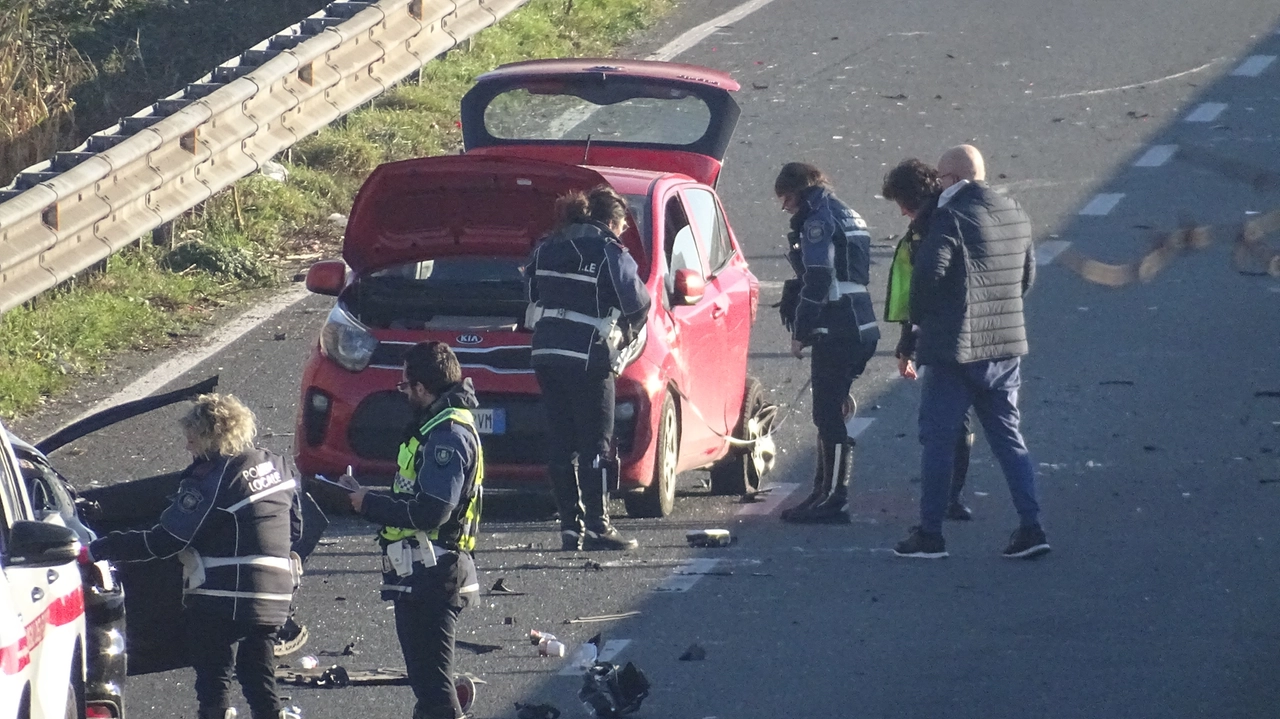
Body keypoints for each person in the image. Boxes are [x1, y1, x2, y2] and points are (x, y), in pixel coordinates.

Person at [88, 394, 301, 719]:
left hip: (225, 593)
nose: (188, 447)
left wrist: (100, 547)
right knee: (257, 674)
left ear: (210, 436)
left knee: (212, 672)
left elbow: (167, 540)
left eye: (191, 438)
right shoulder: (278, 464)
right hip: (277, 594)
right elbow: (296, 528)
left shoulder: (213, 477)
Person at [892, 144, 1049, 560]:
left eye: (942, 179)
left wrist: (922, 324)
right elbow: (1026, 278)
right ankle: (1032, 527)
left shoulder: (950, 216)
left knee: (938, 440)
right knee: (1008, 439)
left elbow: (927, 277)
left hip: (954, 350)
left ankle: (930, 533)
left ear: (953, 179)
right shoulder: (1015, 211)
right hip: (1005, 348)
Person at [338, 341, 483, 719]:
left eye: (405, 386)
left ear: (421, 387)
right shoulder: (435, 427)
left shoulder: (448, 435)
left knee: (435, 695)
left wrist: (369, 504)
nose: (402, 393)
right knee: (428, 690)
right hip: (418, 573)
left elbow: (433, 510)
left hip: (434, 575)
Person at [525, 185, 651, 551]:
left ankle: (569, 528)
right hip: (587, 355)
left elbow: (530, 292)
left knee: (561, 442)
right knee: (597, 442)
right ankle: (598, 526)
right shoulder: (609, 251)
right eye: (623, 225)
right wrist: (622, 334)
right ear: (612, 221)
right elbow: (637, 303)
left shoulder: (547, 246)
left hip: (546, 353)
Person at [773, 162, 880, 524]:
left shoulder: (817, 220)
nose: (785, 207)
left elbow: (819, 277)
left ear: (799, 192)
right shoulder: (847, 211)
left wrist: (801, 330)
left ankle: (833, 497)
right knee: (830, 410)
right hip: (861, 321)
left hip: (838, 324)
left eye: (786, 198)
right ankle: (822, 491)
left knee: (827, 414)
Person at [881, 158, 976, 522]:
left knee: (940, 424)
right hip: (976, 334)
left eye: (902, 205)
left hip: (945, 339)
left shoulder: (932, 229)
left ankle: (940, 507)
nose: (902, 213)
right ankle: (952, 497)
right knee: (965, 421)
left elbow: (922, 290)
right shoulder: (952, 217)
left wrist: (909, 339)